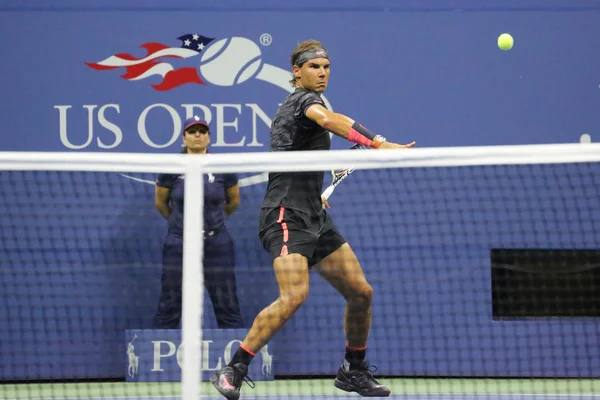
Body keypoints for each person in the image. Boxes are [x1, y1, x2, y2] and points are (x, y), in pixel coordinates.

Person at [211, 40, 415, 399]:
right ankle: (235, 367)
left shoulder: (311, 103)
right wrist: (378, 144)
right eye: (314, 67)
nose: (322, 73)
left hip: (314, 214)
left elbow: (328, 134)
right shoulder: (303, 103)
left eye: (326, 67)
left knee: (361, 292)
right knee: (294, 295)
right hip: (285, 215)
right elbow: (331, 121)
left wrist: (316, 193)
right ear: (297, 72)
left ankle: (354, 369)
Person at [153, 116, 244, 330]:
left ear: (208, 138)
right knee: (170, 303)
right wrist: (183, 226)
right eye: (192, 131)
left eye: (202, 131)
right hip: (179, 243)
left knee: (227, 303)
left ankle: (236, 362)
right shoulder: (172, 167)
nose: (197, 135)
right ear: (184, 137)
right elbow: (161, 203)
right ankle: (159, 357)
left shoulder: (222, 167)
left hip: (217, 244)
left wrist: (211, 224)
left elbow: (233, 202)